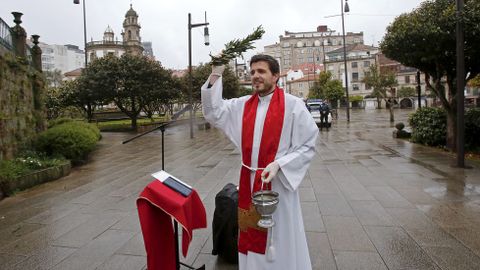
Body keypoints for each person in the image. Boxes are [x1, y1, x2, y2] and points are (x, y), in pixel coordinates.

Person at [201, 54, 318, 270]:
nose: (255, 76)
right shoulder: (242, 105)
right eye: (253, 71)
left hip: (279, 184)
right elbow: (213, 112)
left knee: (280, 236)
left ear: (275, 76)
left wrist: (280, 164)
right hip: (250, 181)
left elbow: (308, 144)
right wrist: (216, 72)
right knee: (251, 233)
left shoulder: (293, 106)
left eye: (261, 71)